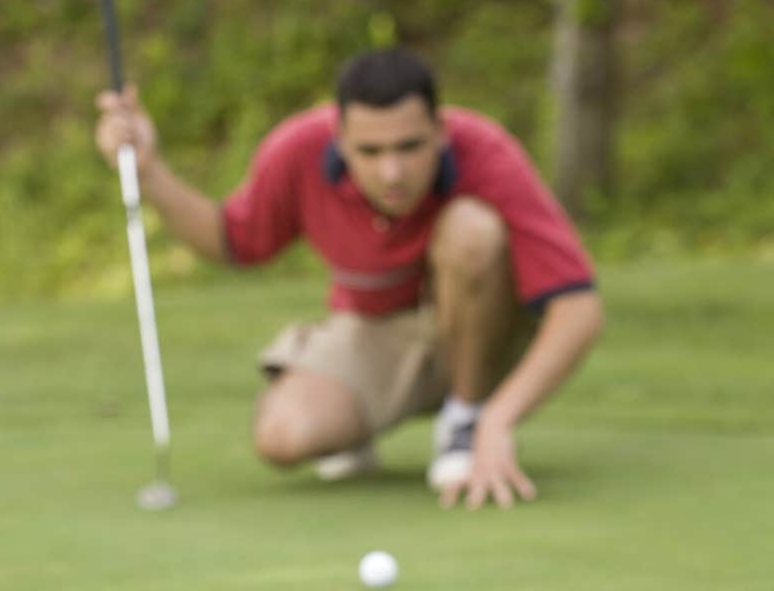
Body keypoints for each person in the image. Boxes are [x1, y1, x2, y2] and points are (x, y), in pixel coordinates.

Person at [94, 45, 603, 509]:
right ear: (338, 138)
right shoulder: (296, 150)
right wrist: (147, 172)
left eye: (409, 147)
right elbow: (232, 242)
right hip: (376, 330)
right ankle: (357, 429)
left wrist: (498, 419)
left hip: (482, 330)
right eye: (371, 152)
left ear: (441, 132)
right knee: (284, 436)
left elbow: (578, 309)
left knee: (472, 233)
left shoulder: (485, 151)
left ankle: (464, 422)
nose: (392, 173)